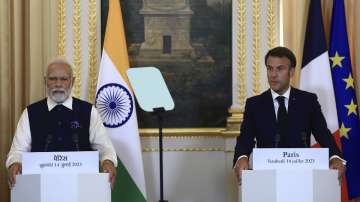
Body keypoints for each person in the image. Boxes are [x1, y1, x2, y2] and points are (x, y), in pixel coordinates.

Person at [233, 46, 346, 182]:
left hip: (302, 176)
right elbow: (245, 139)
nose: (273, 74)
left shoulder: (308, 101)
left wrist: (335, 157)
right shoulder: (254, 104)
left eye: (280, 69)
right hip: (267, 178)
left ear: (291, 71)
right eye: (270, 68)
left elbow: (323, 133)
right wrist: (241, 157)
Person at [6, 58, 118, 188]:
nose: (58, 84)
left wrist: (108, 161)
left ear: (72, 81)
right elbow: (17, 150)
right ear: (45, 81)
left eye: (64, 79)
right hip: (40, 188)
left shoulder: (88, 111)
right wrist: (14, 163)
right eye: (52, 79)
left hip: (82, 187)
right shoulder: (30, 113)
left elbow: (105, 148)